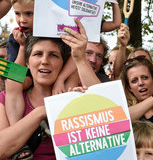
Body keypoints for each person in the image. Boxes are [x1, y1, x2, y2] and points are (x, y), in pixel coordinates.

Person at [0, 19, 100, 159]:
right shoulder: (5, 99)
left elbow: (107, 108)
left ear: (62, 63)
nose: (45, 61)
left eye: (53, 55)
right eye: (38, 54)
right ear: (27, 62)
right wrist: (42, 111)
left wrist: (80, 58)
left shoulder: (75, 94)